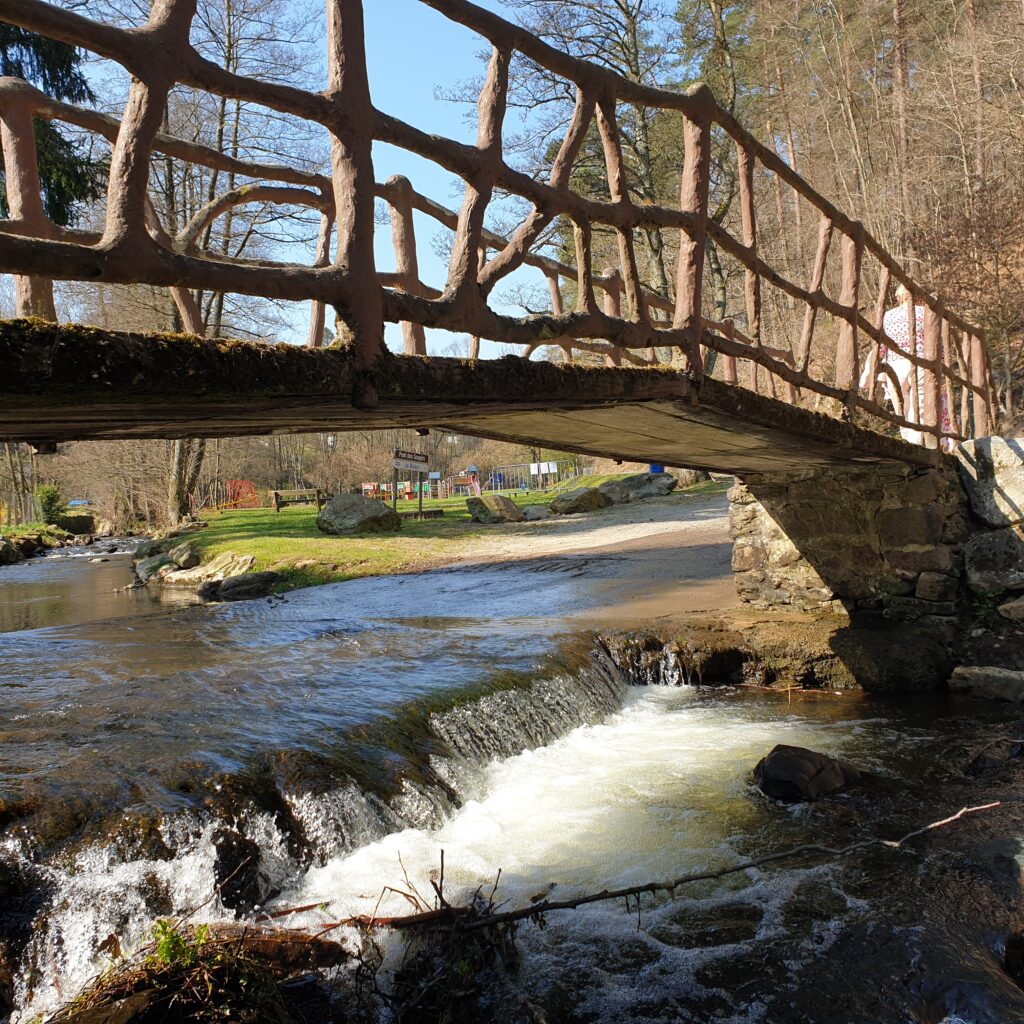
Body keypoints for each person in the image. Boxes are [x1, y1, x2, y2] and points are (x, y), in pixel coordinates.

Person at [860, 283, 953, 451]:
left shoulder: (888, 316)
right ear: (920, 297)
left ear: (899, 297)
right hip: (922, 365)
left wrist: (869, 369)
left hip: (895, 366)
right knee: (921, 411)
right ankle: (919, 448)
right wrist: (944, 366)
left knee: (902, 410)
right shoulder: (928, 314)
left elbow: (882, 345)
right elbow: (937, 345)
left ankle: (908, 446)